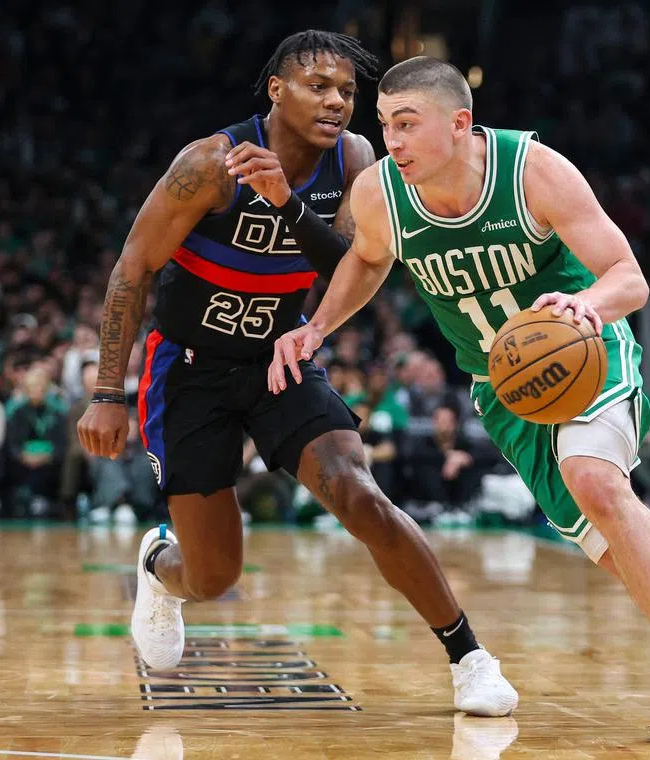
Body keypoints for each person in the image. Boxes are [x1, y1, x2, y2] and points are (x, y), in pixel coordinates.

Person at [269, 56, 650, 741]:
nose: (391, 139)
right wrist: (317, 326)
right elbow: (367, 257)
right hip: (504, 388)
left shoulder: (531, 171)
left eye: (408, 123)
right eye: (386, 124)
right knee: (616, 547)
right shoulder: (380, 194)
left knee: (592, 477)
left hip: (585, 350)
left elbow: (628, 277)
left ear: (459, 123)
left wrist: (586, 305)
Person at [76, 32, 517, 717]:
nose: (336, 101)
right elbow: (134, 266)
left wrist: (287, 202)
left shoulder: (354, 158)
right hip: (189, 372)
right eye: (318, 85)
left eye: (346, 90)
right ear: (277, 91)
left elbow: (348, 263)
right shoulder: (209, 164)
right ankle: (158, 570)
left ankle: (470, 658)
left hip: (277, 360)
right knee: (215, 574)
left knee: (357, 492)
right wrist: (108, 391)